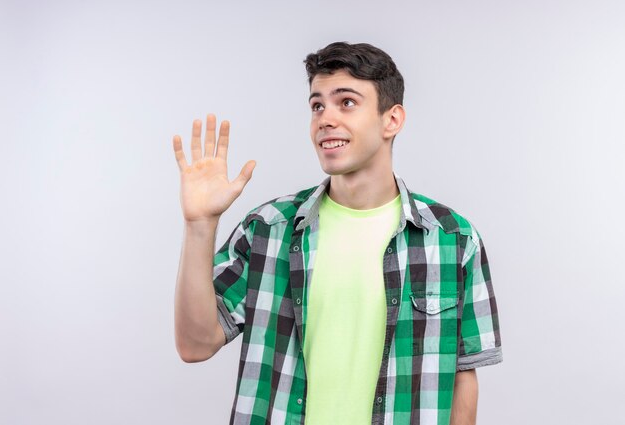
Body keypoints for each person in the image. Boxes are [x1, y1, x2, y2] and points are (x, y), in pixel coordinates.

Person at [172, 41, 502, 425]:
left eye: (346, 102)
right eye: (317, 105)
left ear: (391, 120)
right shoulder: (268, 230)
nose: (325, 118)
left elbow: (463, 378)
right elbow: (195, 345)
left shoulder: (453, 240)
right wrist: (199, 226)